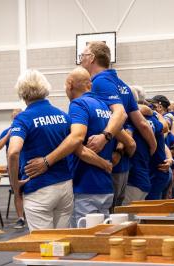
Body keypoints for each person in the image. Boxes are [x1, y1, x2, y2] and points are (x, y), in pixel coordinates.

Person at [24, 67, 114, 226]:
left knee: (83, 242)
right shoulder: (105, 106)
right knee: (102, 237)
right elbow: (126, 137)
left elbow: (76, 141)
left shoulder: (78, 104)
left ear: (70, 84)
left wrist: (46, 161)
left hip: (86, 185)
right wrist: (112, 158)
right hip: (105, 186)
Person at [79, 41, 155, 208]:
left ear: (92, 58)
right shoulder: (123, 86)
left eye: (82, 56)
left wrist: (104, 137)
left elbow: (120, 113)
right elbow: (142, 123)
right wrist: (152, 149)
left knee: (106, 216)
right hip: (123, 166)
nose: (81, 60)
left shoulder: (99, 82)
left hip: (110, 163)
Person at [8, 70, 74, 231]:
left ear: (22, 93)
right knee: (61, 244)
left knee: (43, 247)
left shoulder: (23, 119)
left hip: (39, 189)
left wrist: (14, 183)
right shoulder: (63, 116)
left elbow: (13, 152)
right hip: (65, 186)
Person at [122, 87, 163, 205]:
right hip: (144, 176)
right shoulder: (152, 117)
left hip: (134, 179)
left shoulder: (130, 118)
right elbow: (163, 128)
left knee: (127, 220)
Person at [0, 108, 26, 229]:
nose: (16, 118)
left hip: (27, 166)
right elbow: (0, 147)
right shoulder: (6, 132)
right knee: (17, 192)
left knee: (30, 192)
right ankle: (21, 218)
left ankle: (30, 215)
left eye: (18, 116)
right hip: (14, 167)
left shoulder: (27, 127)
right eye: (14, 116)